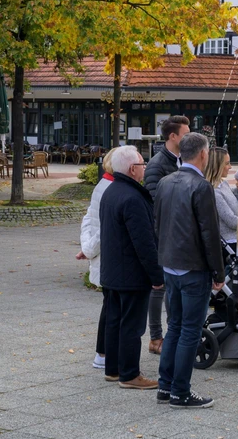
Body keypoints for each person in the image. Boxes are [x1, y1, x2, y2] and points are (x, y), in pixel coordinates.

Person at [154, 132, 225, 409]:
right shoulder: (201, 186)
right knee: (189, 332)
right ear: (204, 154)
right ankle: (180, 392)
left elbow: (158, 223)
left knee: (175, 328)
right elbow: (210, 233)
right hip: (193, 268)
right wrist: (218, 273)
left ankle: (165, 386)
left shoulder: (165, 181)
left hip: (171, 264)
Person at [98, 146, 164, 389]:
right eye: (141, 164)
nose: (144, 168)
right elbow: (144, 242)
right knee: (132, 325)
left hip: (113, 270)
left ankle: (114, 369)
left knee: (114, 321)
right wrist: (156, 275)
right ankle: (129, 374)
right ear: (131, 168)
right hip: (131, 272)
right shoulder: (133, 197)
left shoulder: (111, 190)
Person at [143, 115, 190, 355]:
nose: (188, 137)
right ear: (173, 136)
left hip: (177, 235)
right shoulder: (157, 165)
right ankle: (156, 337)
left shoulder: (182, 160)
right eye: (185, 133)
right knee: (159, 286)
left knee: (172, 287)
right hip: (161, 235)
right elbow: (155, 202)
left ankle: (174, 333)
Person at [76, 147, 117, 370]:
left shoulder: (104, 184)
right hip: (106, 257)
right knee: (111, 309)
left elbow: (90, 219)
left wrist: (87, 247)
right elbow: (102, 226)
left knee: (109, 307)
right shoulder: (109, 187)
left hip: (101, 255)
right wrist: (90, 249)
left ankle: (103, 353)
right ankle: (103, 354)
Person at [204, 147, 238, 249]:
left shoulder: (224, 183)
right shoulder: (214, 192)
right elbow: (231, 221)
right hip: (228, 244)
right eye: (227, 163)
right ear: (217, 166)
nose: (230, 167)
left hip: (237, 239)